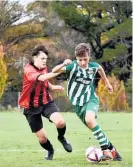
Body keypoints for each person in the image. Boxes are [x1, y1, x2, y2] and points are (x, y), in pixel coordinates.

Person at [52, 43, 122, 161]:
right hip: (78, 105)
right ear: (76, 58)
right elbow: (54, 70)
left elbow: (99, 68)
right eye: (80, 60)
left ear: (89, 57)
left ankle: (105, 151)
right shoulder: (72, 66)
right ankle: (113, 151)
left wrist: (108, 83)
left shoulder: (93, 66)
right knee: (94, 128)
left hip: (90, 99)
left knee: (90, 120)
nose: (83, 62)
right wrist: (64, 63)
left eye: (85, 59)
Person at [19, 45, 72, 160]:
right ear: (34, 58)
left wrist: (53, 87)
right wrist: (61, 70)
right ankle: (50, 150)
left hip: (46, 102)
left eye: (46, 59)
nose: (44, 61)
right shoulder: (29, 70)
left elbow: (45, 82)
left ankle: (61, 137)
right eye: (42, 58)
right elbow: (42, 78)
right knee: (42, 138)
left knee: (60, 123)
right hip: (31, 107)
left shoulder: (44, 68)